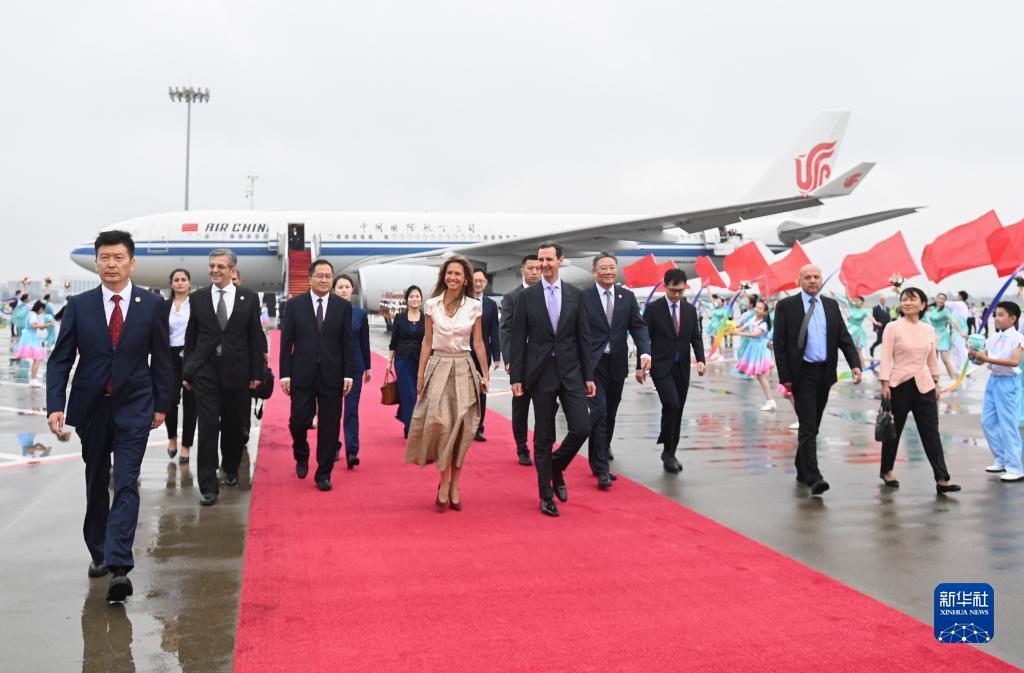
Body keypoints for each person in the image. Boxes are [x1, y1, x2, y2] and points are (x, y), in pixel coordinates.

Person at [46, 230, 171, 602]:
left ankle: (119, 566)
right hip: (92, 407)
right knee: (96, 480)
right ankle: (99, 549)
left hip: (135, 405)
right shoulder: (79, 305)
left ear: (132, 263)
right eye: (105, 257)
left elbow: (162, 359)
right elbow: (60, 360)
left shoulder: (151, 304)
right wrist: (55, 405)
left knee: (128, 481)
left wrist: (162, 404)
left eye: (118, 258)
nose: (111, 264)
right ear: (97, 262)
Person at [509, 242, 596, 517]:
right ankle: (545, 494)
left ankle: (556, 466)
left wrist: (588, 375)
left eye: (549, 259)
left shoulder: (574, 295)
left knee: (582, 427)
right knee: (544, 436)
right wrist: (517, 376)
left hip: (571, 371)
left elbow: (583, 337)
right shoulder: (527, 297)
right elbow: (517, 339)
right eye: (540, 260)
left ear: (561, 260)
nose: (544, 264)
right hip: (540, 372)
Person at [405, 256, 489, 512]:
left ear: (465, 280)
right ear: (444, 276)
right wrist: (421, 375)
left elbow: (478, 343)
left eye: (458, 274)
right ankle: (443, 483)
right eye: (449, 273)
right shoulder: (431, 305)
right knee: (441, 425)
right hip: (439, 366)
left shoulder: (474, 306)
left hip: (464, 368)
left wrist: (485, 375)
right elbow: (427, 342)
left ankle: (455, 485)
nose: (453, 277)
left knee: (463, 429)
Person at [182, 249, 265, 507]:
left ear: (232, 270)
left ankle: (230, 467)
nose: (215, 270)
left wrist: (257, 373)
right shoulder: (198, 298)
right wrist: (187, 370)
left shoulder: (248, 298)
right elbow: (191, 337)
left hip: (237, 371)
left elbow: (255, 337)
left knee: (233, 425)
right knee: (207, 427)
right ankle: (208, 486)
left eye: (220, 266)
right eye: (212, 266)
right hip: (205, 370)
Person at [773, 264, 861, 497]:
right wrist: (785, 377)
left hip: (825, 373)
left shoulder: (831, 305)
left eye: (816, 277)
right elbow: (779, 345)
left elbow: (844, 338)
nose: (812, 280)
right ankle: (814, 476)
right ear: (799, 281)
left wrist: (855, 364)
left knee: (813, 424)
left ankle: (801, 467)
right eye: (808, 277)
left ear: (821, 280)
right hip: (801, 374)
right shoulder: (786, 306)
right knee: (808, 424)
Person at [279, 259, 355, 491]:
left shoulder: (342, 306)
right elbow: (286, 342)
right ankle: (301, 452)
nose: (324, 280)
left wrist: (348, 374)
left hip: (332, 374)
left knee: (330, 425)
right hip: (302, 372)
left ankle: (323, 473)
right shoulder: (294, 305)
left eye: (328, 276)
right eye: (320, 275)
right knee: (298, 421)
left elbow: (347, 342)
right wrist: (285, 374)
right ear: (309, 278)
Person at [877, 287, 960, 493]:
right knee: (893, 431)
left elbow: (932, 359)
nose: (907, 303)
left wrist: (936, 382)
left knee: (931, 432)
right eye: (904, 299)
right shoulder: (892, 327)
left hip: (925, 385)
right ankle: (887, 470)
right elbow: (885, 357)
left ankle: (942, 479)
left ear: (922, 305)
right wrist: (885, 384)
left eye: (912, 299)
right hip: (898, 385)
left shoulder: (928, 329)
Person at [582, 252, 651, 488]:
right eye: (604, 268)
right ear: (594, 272)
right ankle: (602, 468)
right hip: (593, 365)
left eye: (612, 267)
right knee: (598, 412)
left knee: (609, 414)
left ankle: (597, 457)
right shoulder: (584, 297)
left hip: (617, 363)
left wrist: (644, 353)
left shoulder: (626, 297)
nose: (609, 272)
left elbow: (638, 327)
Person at [641, 268, 706, 473]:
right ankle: (667, 445)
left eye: (680, 291)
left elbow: (696, 337)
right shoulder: (653, 309)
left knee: (677, 410)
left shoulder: (690, 310)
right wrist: (641, 365)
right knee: (671, 403)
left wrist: (701, 359)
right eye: (673, 291)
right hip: (661, 366)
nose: (677, 295)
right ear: (665, 286)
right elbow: (644, 338)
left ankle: (670, 452)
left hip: (682, 367)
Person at [969, 301, 1024, 482]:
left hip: (1009, 383)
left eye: (1001, 315)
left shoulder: (1018, 338)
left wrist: (986, 358)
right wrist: (974, 356)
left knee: (1008, 425)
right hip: (993, 381)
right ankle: (1001, 459)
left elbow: (1015, 361)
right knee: (987, 422)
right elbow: (982, 360)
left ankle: (1015, 467)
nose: (996, 318)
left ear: (1013, 318)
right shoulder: (993, 338)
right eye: (996, 315)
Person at [499, 254, 542, 465]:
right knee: (521, 407)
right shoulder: (511, 297)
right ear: (522, 270)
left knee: (545, 407)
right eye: (530, 268)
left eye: (538, 268)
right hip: (521, 362)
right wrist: (509, 360)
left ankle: (541, 446)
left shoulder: (549, 294)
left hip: (544, 362)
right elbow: (505, 330)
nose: (534, 272)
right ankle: (522, 447)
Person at [333, 274, 372, 468]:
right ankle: (332, 446)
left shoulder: (360, 314)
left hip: (355, 366)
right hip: (332, 366)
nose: (343, 290)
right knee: (332, 410)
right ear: (334, 290)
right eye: (340, 287)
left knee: (351, 409)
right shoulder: (327, 311)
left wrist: (368, 367)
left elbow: (364, 341)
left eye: (347, 287)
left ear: (352, 290)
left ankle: (352, 450)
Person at [164, 268, 196, 464]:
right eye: (176, 279)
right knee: (169, 401)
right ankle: (172, 437)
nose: (180, 282)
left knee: (191, 403)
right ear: (171, 284)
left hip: (191, 356)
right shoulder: (164, 306)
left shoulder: (196, 304)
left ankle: (186, 445)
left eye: (183, 279)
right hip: (169, 356)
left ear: (189, 283)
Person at [468, 269, 501, 442]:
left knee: (482, 390)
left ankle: (478, 428)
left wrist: (497, 356)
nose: (478, 283)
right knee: (464, 390)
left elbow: (495, 331)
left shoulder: (490, 304)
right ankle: (463, 427)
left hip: (483, 355)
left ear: (485, 283)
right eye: (475, 280)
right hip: (464, 352)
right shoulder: (463, 301)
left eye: (481, 281)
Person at [388, 285, 425, 438]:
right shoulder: (399, 317)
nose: (414, 299)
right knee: (407, 392)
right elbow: (393, 341)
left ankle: (405, 418)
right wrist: (389, 362)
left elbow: (430, 341)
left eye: (417, 296)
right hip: (402, 360)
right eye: (411, 296)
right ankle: (411, 426)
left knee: (415, 392)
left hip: (420, 359)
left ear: (421, 299)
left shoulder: (427, 318)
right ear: (407, 300)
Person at [730, 299, 775, 410]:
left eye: (760, 308)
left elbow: (755, 334)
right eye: (756, 307)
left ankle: (771, 401)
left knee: (761, 376)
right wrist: (731, 330)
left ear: (765, 312)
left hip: (760, 349)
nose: (757, 309)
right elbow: (740, 328)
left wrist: (739, 333)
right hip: (753, 348)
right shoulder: (752, 319)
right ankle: (770, 401)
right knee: (760, 376)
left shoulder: (764, 324)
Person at [925, 292, 965, 379]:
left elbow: (953, 321)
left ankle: (954, 379)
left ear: (945, 301)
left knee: (946, 360)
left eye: (943, 299)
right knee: (933, 361)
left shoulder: (946, 311)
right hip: (932, 335)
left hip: (943, 336)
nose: (941, 300)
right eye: (939, 298)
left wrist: (961, 332)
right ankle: (934, 380)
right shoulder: (932, 308)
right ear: (936, 299)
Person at [16, 301, 53, 386]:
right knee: (38, 358)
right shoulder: (33, 315)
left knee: (36, 358)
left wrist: (45, 325)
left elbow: (37, 326)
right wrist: (47, 325)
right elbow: (34, 325)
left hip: (29, 336)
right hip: (31, 337)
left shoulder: (32, 314)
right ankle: (33, 379)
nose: (43, 312)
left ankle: (33, 375)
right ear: (40, 308)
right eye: (43, 310)